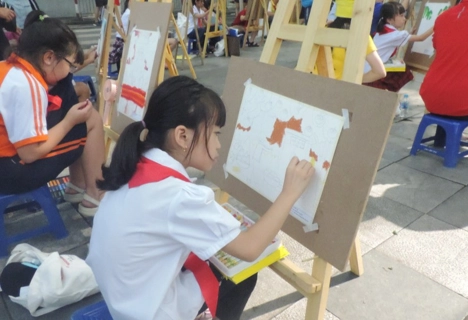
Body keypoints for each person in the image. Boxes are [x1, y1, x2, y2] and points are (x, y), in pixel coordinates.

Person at [86, 76, 315, 320]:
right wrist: (289, 193)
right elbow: (250, 248)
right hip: (149, 310)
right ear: (182, 136)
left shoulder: (138, 161)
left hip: (123, 298)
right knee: (244, 275)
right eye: (215, 134)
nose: (218, 145)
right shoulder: (180, 196)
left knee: (212, 260)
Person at [0, 11, 104, 216]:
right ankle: (95, 195)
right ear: (48, 57)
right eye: (69, 64)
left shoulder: (7, 68)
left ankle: (77, 186)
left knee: (76, 114)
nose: (69, 70)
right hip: (10, 171)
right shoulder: (28, 85)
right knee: (90, 119)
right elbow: (29, 154)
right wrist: (69, 121)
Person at [419, 0, 468, 147]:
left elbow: (437, 45)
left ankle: (441, 138)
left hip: (432, 94)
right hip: (464, 98)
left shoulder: (443, 16)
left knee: (454, 77)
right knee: (465, 85)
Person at [364, 2, 433, 93]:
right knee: (405, 73)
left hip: (366, 69)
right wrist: (436, 24)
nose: (404, 19)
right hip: (373, 74)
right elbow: (421, 38)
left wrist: (409, 34)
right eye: (401, 16)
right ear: (389, 19)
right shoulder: (396, 35)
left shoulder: (382, 28)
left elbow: (394, 38)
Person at [329, 0, 386, 83]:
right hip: (340, 89)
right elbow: (379, 72)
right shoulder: (361, 36)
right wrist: (356, 80)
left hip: (314, 86)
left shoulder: (323, 30)